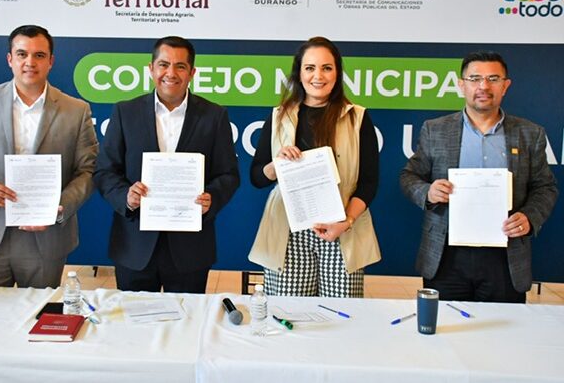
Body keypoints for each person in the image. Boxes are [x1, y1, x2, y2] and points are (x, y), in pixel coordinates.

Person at [0, 24, 99, 288]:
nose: (30, 62)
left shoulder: (76, 110)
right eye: (22, 54)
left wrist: (59, 206)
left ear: (51, 61)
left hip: (45, 238)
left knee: (40, 313)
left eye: (39, 55)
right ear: (10, 59)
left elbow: (89, 170)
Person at [400, 51, 558, 303]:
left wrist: (529, 217)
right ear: (461, 85)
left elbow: (545, 187)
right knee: (447, 325)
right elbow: (409, 176)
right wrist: (428, 192)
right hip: (446, 255)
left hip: (505, 256)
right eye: (475, 79)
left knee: (503, 326)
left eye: (493, 79)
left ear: (505, 86)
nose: (483, 86)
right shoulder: (435, 129)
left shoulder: (530, 133)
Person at [93, 36, 240, 293]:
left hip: (190, 250)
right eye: (163, 65)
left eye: (180, 66)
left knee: (186, 317)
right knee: (134, 319)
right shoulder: (125, 112)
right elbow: (105, 171)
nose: (171, 73)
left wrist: (212, 198)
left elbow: (228, 174)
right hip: (134, 247)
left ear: (192, 73)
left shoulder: (214, 115)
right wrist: (126, 196)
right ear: (151, 69)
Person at [248, 37, 381, 298]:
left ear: (337, 73)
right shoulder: (279, 116)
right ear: (299, 73)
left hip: (341, 228)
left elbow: (369, 182)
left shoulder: (357, 117)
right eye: (309, 68)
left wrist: (346, 221)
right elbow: (257, 177)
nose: (318, 76)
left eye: (326, 68)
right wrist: (276, 166)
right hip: (289, 233)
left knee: (341, 313)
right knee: (289, 313)